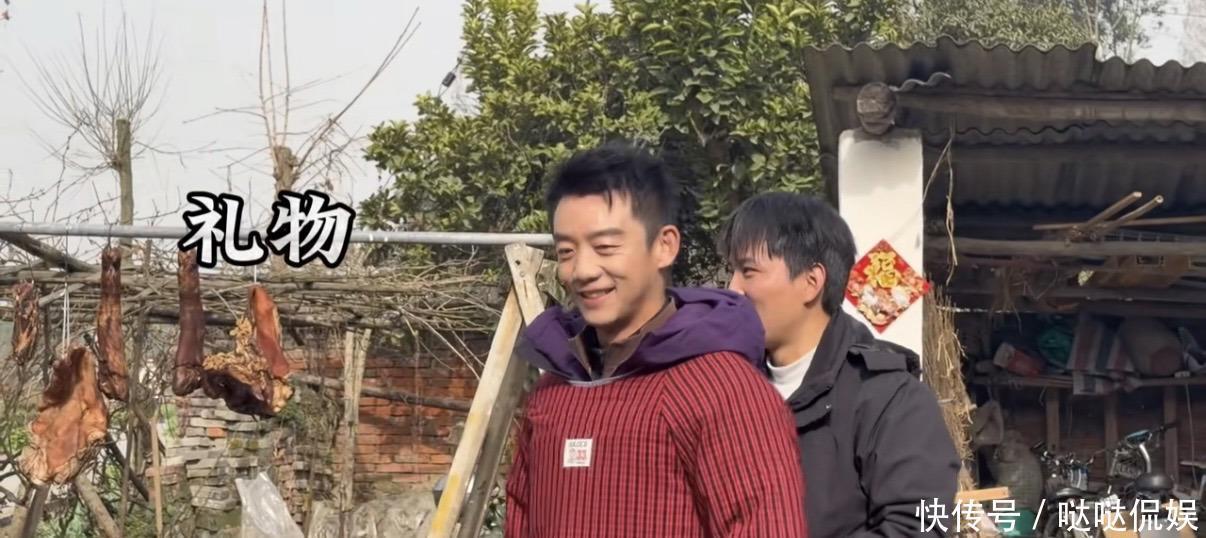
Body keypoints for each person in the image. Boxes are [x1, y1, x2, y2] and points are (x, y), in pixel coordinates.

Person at [504, 142, 808, 538]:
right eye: (566, 252)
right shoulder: (554, 391)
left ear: (665, 246)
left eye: (605, 247)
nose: (583, 270)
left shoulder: (723, 389)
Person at [718, 192, 960, 538]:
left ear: (811, 282)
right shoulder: (728, 390)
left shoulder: (890, 399)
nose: (733, 290)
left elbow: (917, 528)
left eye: (748, 271)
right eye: (733, 272)